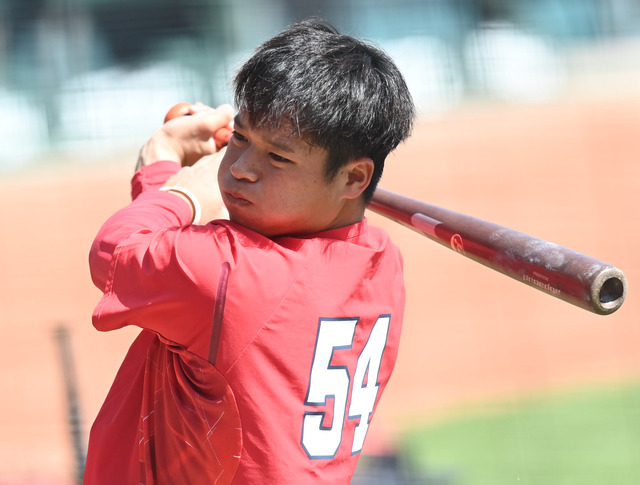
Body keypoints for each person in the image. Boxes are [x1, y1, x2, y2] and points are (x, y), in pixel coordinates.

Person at [84, 18, 415, 484]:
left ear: (354, 178)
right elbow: (225, 268)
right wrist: (253, 152)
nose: (240, 169)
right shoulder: (382, 260)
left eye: (277, 158)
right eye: (240, 138)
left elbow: (116, 254)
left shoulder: (235, 276)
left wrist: (171, 185)